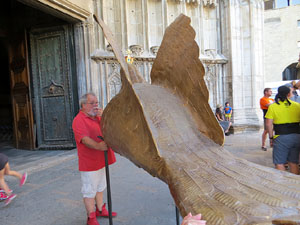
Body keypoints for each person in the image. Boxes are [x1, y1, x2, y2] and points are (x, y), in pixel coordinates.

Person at [72, 93, 117, 225]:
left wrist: (104, 116)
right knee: (89, 189)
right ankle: (91, 217)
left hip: (102, 159)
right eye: (92, 103)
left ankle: (100, 209)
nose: (96, 105)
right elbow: (84, 139)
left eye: (97, 102)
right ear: (83, 105)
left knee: (101, 185)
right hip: (89, 161)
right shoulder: (78, 120)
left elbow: (111, 129)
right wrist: (98, 146)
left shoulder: (97, 117)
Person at [265, 85, 300, 174]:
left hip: (281, 137)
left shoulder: (273, 107)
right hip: (296, 136)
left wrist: (271, 138)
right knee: (293, 163)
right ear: (288, 94)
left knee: (279, 163)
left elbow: (268, 124)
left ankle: (283, 186)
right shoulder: (297, 106)